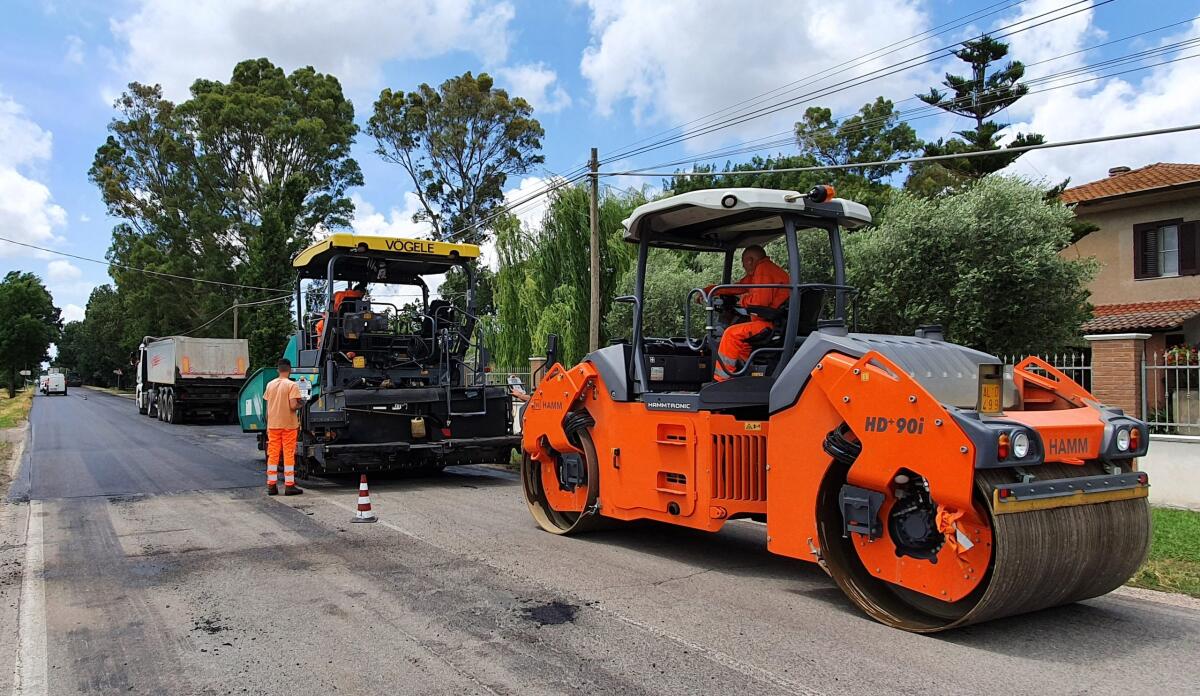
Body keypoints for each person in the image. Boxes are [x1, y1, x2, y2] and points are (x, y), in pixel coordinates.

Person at [710, 245, 790, 382]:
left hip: (769, 324)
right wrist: (711, 290)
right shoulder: (765, 270)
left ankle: (720, 381)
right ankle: (744, 374)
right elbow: (738, 287)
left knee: (731, 334)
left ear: (750, 260)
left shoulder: (763, 270)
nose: (744, 267)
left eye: (743, 263)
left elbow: (759, 304)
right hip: (773, 322)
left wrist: (743, 300)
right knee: (742, 342)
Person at [263, 358, 304, 496]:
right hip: (288, 425)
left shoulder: (270, 385)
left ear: (278, 370)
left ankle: (271, 486)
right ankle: (289, 486)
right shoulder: (292, 385)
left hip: (273, 425)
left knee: (273, 455)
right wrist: (301, 404)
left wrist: (268, 424)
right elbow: (293, 405)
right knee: (288, 455)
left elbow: (268, 408)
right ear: (290, 370)